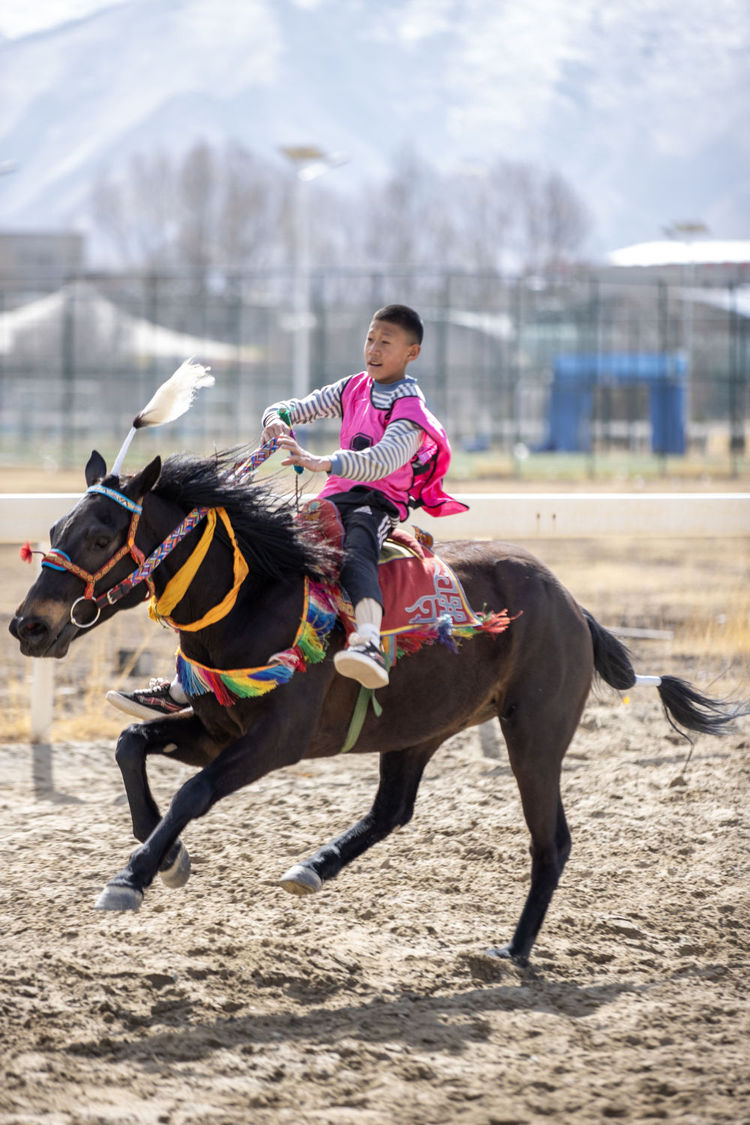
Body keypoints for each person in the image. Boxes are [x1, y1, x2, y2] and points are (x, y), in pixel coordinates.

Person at [107, 304, 466, 721]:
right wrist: (275, 420)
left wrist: (323, 462)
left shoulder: (411, 413)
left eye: (386, 342)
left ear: (412, 353)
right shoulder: (353, 387)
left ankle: (368, 638)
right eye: (370, 338)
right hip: (332, 497)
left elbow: (382, 461)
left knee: (356, 549)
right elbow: (295, 407)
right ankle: (185, 685)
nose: (373, 348)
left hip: (375, 503)